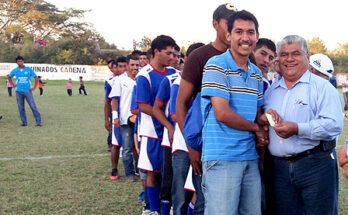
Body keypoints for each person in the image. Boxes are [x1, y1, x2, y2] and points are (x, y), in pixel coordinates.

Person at [262, 35, 343, 215]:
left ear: (307, 56)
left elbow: (334, 125)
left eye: (296, 54)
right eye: (284, 54)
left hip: (315, 164)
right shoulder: (271, 91)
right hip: (280, 169)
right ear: (278, 58)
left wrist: (298, 128)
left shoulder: (322, 87)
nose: (289, 59)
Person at [200, 10, 266, 214]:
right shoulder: (216, 65)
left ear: (256, 36)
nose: (245, 38)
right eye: (239, 31)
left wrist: (270, 119)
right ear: (228, 36)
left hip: (249, 157)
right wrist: (257, 128)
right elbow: (222, 113)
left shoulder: (256, 74)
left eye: (250, 32)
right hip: (222, 157)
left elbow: (256, 114)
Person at [175, 4, 237, 214]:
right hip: (207, 147)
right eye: (228, 22)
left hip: (238, 146)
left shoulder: (247, 57)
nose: (232, 27)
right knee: (204, 203)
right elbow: (181, 103)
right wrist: (191, 146)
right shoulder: (200, 56)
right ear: (215, 23)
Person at [136, 35, 177, 215]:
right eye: (168, 53)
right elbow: (143, 106)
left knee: (169, 172)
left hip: (170, 130)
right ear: (156, 52)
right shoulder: (144, 75)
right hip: (152, 131)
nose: (171, 57)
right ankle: (153, 209)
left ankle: (166, 206)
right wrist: (164, 117)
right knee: (152, 171)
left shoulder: (173, 74)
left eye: (173, 53)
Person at [252, 38, 276, 215]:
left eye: (270, 57)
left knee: (259, 200)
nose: (266, 61)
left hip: (259, 151)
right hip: (231, 149)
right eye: (262, 54)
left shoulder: (267, 85)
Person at [109, 55, 139, 182]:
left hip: (141, 119)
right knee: (127, 148)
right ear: (127, 65)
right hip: (126, 120)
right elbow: (115, 99)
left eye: (137, 65)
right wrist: (115, 117)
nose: (135, 68)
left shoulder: (142, 78)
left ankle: (141, 170)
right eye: (132, 65)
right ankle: (129, 173)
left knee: (140, 147)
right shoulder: (120, 80)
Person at [7, 55, 42, 126]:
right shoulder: (15, 70)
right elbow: (9, 77)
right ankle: (24, 122)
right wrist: (12, 84)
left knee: (33, 106)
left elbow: (36, 77)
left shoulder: (28, 69)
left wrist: (34, 87)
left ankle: (39, 122)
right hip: (18, 91)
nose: (20, 62)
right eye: (18, 61)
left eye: (21, 61)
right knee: (21, 107)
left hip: (27, 91)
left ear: (23, 61)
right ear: (16, 62)